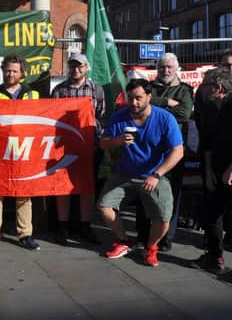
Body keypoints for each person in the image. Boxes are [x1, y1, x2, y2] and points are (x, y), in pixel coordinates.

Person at [97, 79, 183, 267]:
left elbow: (178, 151)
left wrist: (157, 175)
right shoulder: (120, 117)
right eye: (130, 98)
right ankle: (123, 240)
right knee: (104, 206)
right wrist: (117, 141)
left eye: (138, 98)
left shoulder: (164, 118)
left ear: (149, 97)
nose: (134, 103)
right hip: (125, 173)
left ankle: (151, 247)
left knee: (163, 218)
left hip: (154, 174)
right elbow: (103, 142)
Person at [0, 54, 41, 253]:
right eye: (7, 70)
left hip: (23, 152)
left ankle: (25, 234)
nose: (10, 74)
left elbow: (40, 124)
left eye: (14, 71)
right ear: (2, 70)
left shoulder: (33, 95)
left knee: (24, 194)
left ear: (22, 73)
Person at [135, 53, 193, 252]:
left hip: (173, 152)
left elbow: (184, 114)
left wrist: (155, 104)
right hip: (149, 150)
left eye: (169, 67)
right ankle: (142, 236)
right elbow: (141, 105)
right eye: (162, 67)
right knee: (144, 192)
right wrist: (167, 102)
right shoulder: (148, 87)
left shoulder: (185, 90)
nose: (165, 71)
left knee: (172, 196)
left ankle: (166, 238)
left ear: (176, 68)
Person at [51, 53, 104, 246]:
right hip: (64, 146)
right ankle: (62, 226)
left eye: (80, 66)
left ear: (86, 67)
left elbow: (100, 115)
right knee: (62, 187)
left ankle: (85, 226)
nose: (76, 69)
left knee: (87, 186)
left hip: (89, 145)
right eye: (73, 66)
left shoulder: (96, 90)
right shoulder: (59, 90)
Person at [189, 68, 232, 274]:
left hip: (230, 169)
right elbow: (206, 141)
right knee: (211, 214)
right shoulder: (207, 107)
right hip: (214, 168)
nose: (201, 88)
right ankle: (215, 257)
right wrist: (207, 172)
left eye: (205, 84)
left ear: (217, 88)